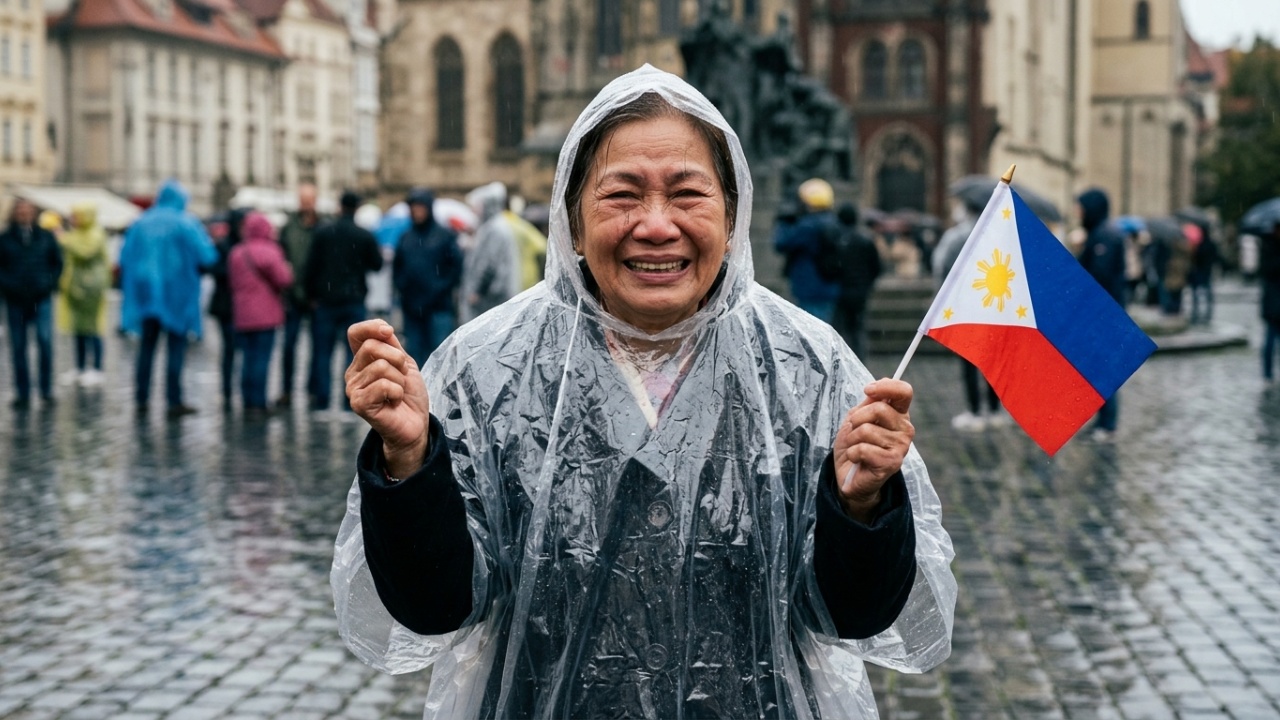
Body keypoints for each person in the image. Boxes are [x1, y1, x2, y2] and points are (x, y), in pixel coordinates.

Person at [332, 65, 955, 719]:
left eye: (687, 194)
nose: (657, 225)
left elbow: (853, 615)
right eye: (622, 196)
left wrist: (861, 508)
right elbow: (435, 608)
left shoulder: (809, 366)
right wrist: (409, 465)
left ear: (731, 214)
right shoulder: (484, 368)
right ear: (572, 220)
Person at [119, 179, 218, 418]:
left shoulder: (141, 222)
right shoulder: (186, 223)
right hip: (178, 295)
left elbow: (124, 257)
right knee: (175, 348)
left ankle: (141, 398)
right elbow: (207, 256)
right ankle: (173, 400)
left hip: (147, 296)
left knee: (147, 348)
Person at [305, 190, 382, 411]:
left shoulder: (323, 232)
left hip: (325, 301)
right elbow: (376, 264)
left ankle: (321, 401)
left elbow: (310, 268)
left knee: (322, 353)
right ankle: (349, 402)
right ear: (357, 208)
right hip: (353, 299)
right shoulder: (363, 235)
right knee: (354, 356)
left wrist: (312, 295)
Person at [933, 198, 1006, 431]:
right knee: (991, 361)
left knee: (969, 360)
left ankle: (974, 412)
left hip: (966, 307)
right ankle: (995, 412)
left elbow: (941, 267)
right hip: (993, 307)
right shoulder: (997, 235)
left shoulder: (956, 236)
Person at [0, 199, 63, 409]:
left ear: (34, 213)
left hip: (41, 298)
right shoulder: (6, 239)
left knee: (45, 343)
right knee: (18, 347)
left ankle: (45, 390)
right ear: (15, 213)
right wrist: (9, 286)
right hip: (16, 300)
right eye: (20, 210)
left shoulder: (45, 237)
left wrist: (49, 284)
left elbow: (57, 262)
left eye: (28, 210)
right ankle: (23, 392)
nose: (24, 214)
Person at [228, 212, 293, 415]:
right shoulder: (270, 250)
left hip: (242, 313)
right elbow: (284, 279)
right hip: (265, 314)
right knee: (262, 359)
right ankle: (258, 402)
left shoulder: (236, 252)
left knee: (247, 358)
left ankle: (247, 400)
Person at [1076, 188, 1127, 441]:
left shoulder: (1104, 236)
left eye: (1082, 208)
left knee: (1104, 371)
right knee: (1097, 370)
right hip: (1101, 313)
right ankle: (1103, 420)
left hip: (1104, 315)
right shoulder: (1099, 234)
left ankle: (1108, 424)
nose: (1079, 213)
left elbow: (1099, 276)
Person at [392, 187, 463, 364]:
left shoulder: (444, 236)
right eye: (413, 208)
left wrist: (438, 289)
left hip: (438, 307)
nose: (417, 212)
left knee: (439, 356)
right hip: (412, 308)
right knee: (413, 357)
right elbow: (398, 268)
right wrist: (404, 288)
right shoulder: (406, 237)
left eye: (420, 207)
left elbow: (456, 269)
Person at [55, 201, 111, 387]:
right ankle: (79, 367)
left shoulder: (95, 233)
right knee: (78, 328)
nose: (72, 219)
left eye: (76, 215)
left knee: (93, 328)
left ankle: (96, 368)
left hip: (91, 289)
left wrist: (62, 238)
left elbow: (84, 251)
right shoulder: (77, 233)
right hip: (76, 288)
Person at [276, 183, 321, 408]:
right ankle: (287, 390)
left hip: (315, 297)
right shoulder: (288, 227)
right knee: (289, 346)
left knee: (317, 347)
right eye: (303, 199)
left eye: (309, 199)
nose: (306, 203)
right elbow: (280, 256)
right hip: (292, 296)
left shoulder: (322, 226)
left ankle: (312, 390)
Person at [774, 177, 841, 322]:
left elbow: (781, 243)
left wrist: (783, 222)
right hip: (828, 285)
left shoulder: (808, 226)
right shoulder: (833, 222)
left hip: (808, 286)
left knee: (811, 330)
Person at [459, 182, 521, 323]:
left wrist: (477, 291)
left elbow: (488, 264)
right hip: (491, 298)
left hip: (491, 299)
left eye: (477, 206)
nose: (474, 210)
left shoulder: (495, 230)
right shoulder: (490, 228)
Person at [829, 202, 882, 359]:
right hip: (859, 291)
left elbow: (830, 266)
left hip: (840, 290)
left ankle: (841, 360)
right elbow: (876, 266)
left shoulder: (836, 240)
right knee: (857, 328)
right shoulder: (865, 240)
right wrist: (867, 284)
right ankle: (859, 359)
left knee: (839, 329)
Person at [208, 208, 247, 409]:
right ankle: (227, 391)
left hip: (236, 305)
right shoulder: (227, 245)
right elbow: (216, 270)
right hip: (227, 307)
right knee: (230, 350)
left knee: (235, 350)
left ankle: (236, 390)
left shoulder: (235, 245)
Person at [505, 200, 548, 291]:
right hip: (526, 276)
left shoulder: (499, 225)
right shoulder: (521, 226)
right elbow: (542, 247)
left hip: (510, 277)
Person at [1186, 221, 1218, 325]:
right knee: (1207, 295)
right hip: (1207, 271)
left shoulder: (1198, 245)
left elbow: (1194, 259)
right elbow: (1215, 257)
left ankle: (1196, 315)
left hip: (1198, 272)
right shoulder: (1211, 244)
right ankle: (1207, 315)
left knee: (1196, 295)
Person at [1261, 226, 1280, 385]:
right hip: (1273, 302)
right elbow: (1269, 271)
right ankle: (1267, 373)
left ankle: (1269, 372)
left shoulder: (1268, 247)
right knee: (1270, 339)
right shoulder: (1269, 248)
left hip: (1272, 301)